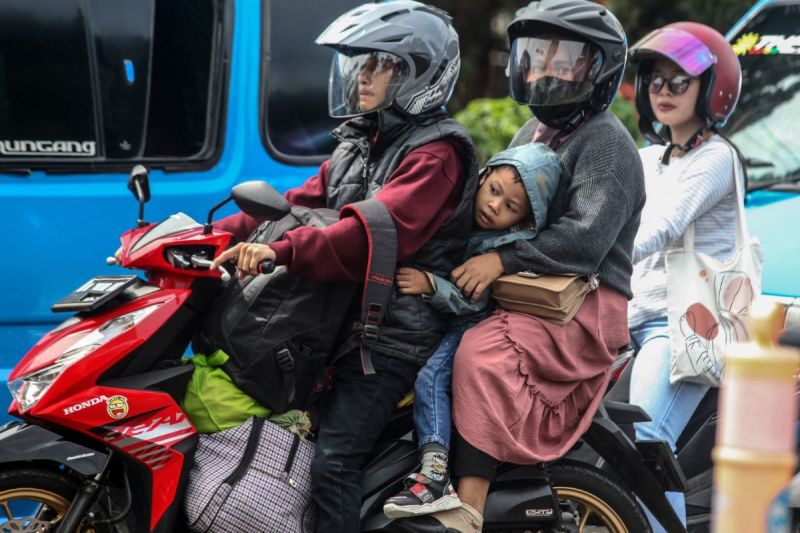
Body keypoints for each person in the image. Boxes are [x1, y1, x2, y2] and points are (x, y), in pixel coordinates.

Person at [209, 2, 479, 531]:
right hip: (345, 325)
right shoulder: (361, 142)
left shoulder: (437, 155)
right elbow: (291, 207)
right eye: (359, 64)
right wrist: (202, 237)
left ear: (417, 73)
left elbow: (366, 239)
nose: (362, 76)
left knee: (333, 461)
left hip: (396, 338)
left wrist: (280, 253)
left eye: (379, 64)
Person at [401, 1, 644, 531]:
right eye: (538, 55)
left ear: (598, 70)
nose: (545, 69)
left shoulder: (607, 142)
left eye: (565, 59)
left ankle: (467, 507)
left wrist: (500, 259)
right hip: (518, 288)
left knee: (479, 355)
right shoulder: (530, 134)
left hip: (580, 303)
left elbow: (584, 240)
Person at [382, 143, 561, 518]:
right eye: (494, 191)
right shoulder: (463, 220)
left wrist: (431, 285)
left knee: (431, 378)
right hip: (439, 324)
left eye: (510, 207)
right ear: (482, 179)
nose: (495, 206)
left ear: (522, 222)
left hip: (468, 326)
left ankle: (434, 474)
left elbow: (471, 301)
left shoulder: (497, 248)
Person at [626, 22, 743, 532]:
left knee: (646, 443)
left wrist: (589, 256)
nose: (664, 92)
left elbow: (657, 228)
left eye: (679, 81)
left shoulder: (718, 158)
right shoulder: (649, 157)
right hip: (627, 318)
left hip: (680, 327)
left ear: (712, 88)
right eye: (656, 81)